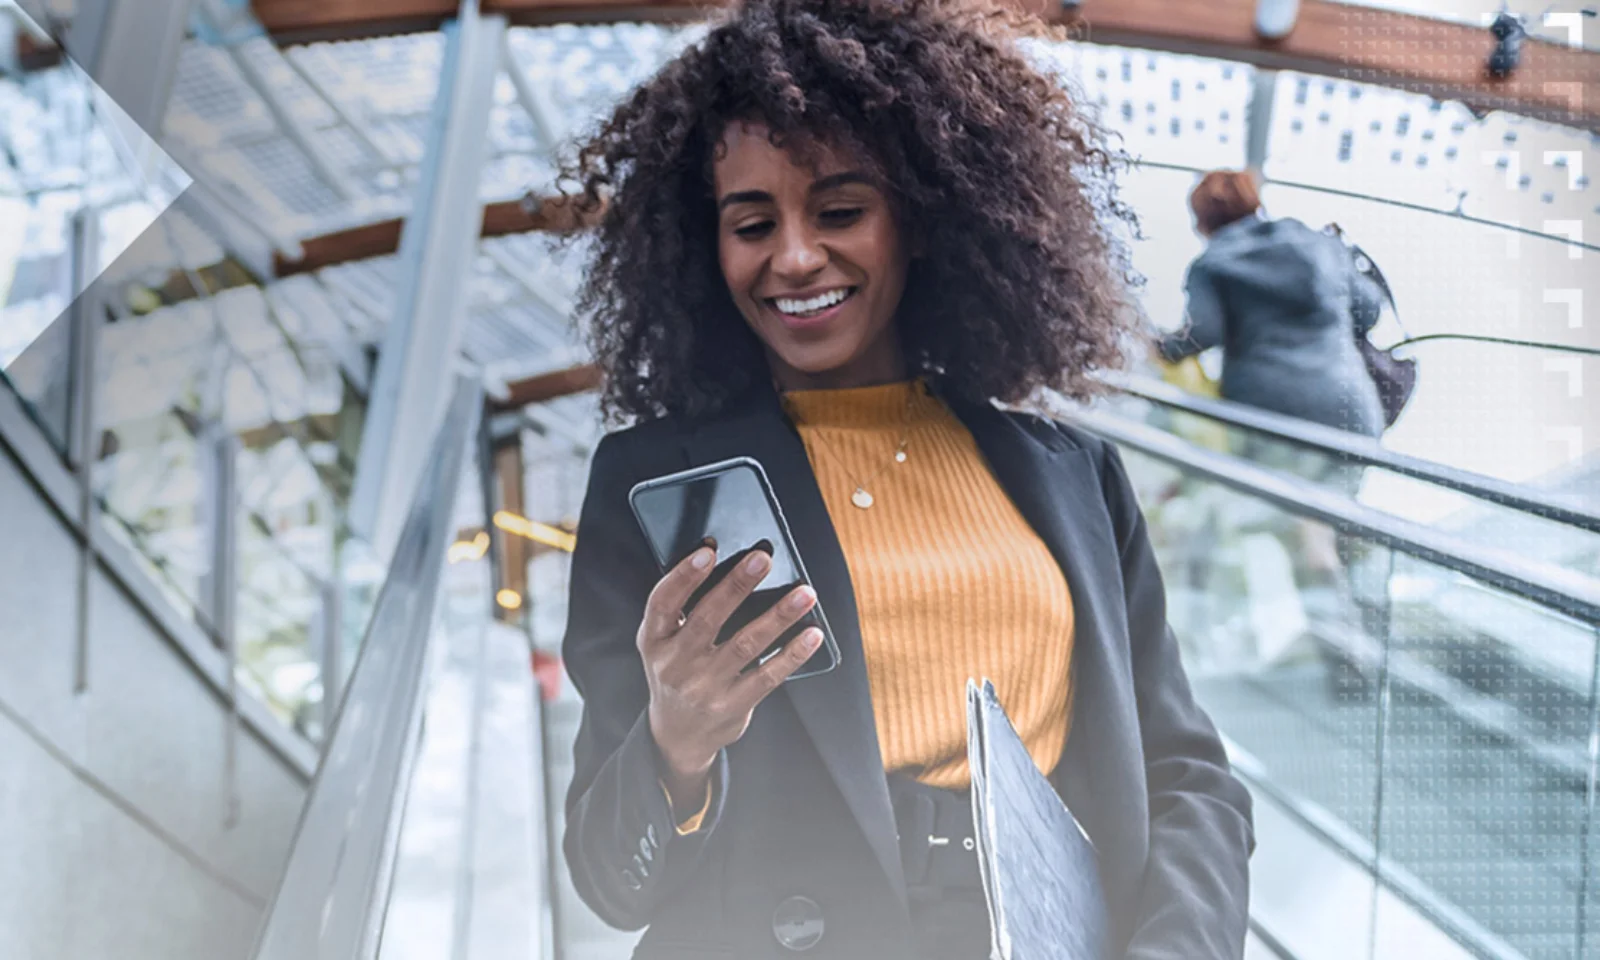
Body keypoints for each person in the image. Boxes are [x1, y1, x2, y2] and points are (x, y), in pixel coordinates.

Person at [558, 2, 1255, 958]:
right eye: (751, 222)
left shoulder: (1072, 475)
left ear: (921, 220)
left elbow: (1186, 777)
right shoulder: (652, 489)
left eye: (841, 210)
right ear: (703, 246)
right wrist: (676, 745)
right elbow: (609, 879)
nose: (796, 257)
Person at [1157, 169, 1388, 442]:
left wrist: (1151, 344)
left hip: (1269, 414)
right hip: (1351, 413)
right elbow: (1369, 311)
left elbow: (1199, 335)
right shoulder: (1320, 244)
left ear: (1203, 222)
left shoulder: (1211, 265)